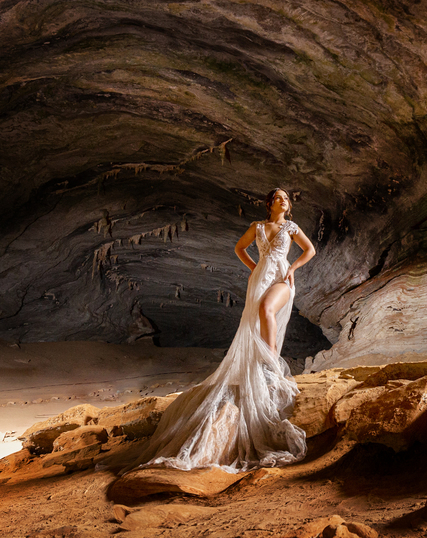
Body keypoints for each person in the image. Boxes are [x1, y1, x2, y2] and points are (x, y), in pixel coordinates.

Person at [131, 188, 317, 472]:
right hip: (259, 278)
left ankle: (271, 362)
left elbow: (310, 250)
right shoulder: (257, 227)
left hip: (281, 277)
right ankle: (264, 367)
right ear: (269, 203)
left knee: (267, 310)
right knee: (255, 320)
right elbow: (238, 249)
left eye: (287, 198)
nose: (284, 200)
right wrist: (255, 267)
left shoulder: (290, 227)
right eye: (279, 197)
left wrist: (292, 268)